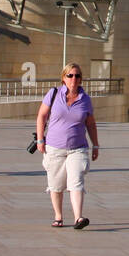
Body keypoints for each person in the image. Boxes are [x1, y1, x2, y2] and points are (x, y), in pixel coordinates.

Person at [36, 63, 99, 229]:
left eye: (77, 76)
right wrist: (40, 140)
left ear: (81, 79)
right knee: (55, 184)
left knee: (76, 181)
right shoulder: (54, 94)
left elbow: (91, 124)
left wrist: (96, 145)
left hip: (77, 148)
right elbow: (42, 116)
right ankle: (58, 216)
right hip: (54, 147)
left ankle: (78, 217)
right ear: (63, 78)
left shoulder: (85, 99)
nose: (73, 79)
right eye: (70, 75)